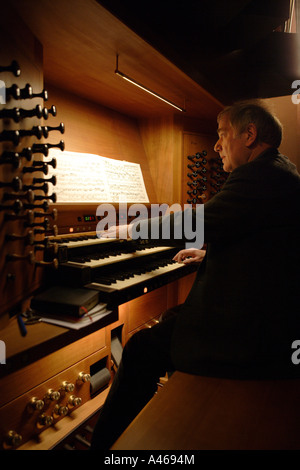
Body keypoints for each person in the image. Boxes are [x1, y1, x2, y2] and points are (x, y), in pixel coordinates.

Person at [91, 100, 300, 450]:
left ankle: (110, 448)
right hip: (266, 319)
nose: (216, 146)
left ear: (249, 135)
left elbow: (199, 219)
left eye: (222, 135)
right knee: (171, 318)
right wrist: (207, 254)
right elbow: (262, 244)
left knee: (141, 347)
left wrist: (131, 229)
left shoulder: (261, 175)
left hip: (251, 336)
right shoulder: (280, 171)